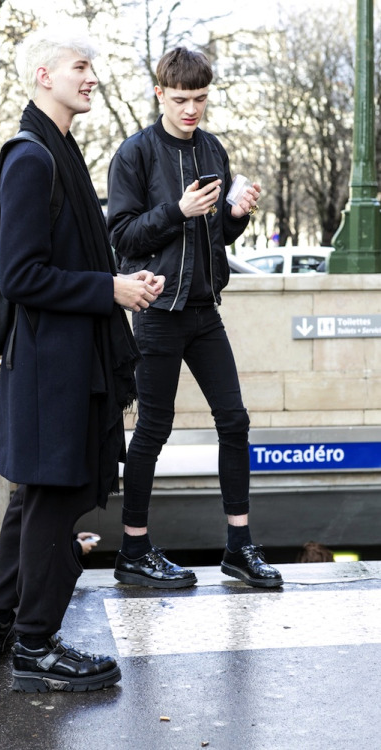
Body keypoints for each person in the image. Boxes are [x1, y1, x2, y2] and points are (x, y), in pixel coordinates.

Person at [0, 28, 164, 693]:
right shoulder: (32, 159)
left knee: (36, 499)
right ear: (45, 75)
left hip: (61, 363)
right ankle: (36, 645)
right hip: (54, 368)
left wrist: (119, 282)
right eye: (81, 67)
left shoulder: (58, 150)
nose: (92, 78)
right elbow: (20, 275)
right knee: (52, 500)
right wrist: (108, 289)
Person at [107, 46, 283, 590]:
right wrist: (176, 210)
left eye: (201, 99)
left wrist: (234, 214)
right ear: (160, 93)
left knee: (235, 422)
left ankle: (238, 546)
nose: (192, 110)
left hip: (205, 310)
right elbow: (122, 238)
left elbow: (215, 239)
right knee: (153, 430)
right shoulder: (134, 154)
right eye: (181, 99)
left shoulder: (213, 149)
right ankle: (133, 549)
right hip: (157, 311)